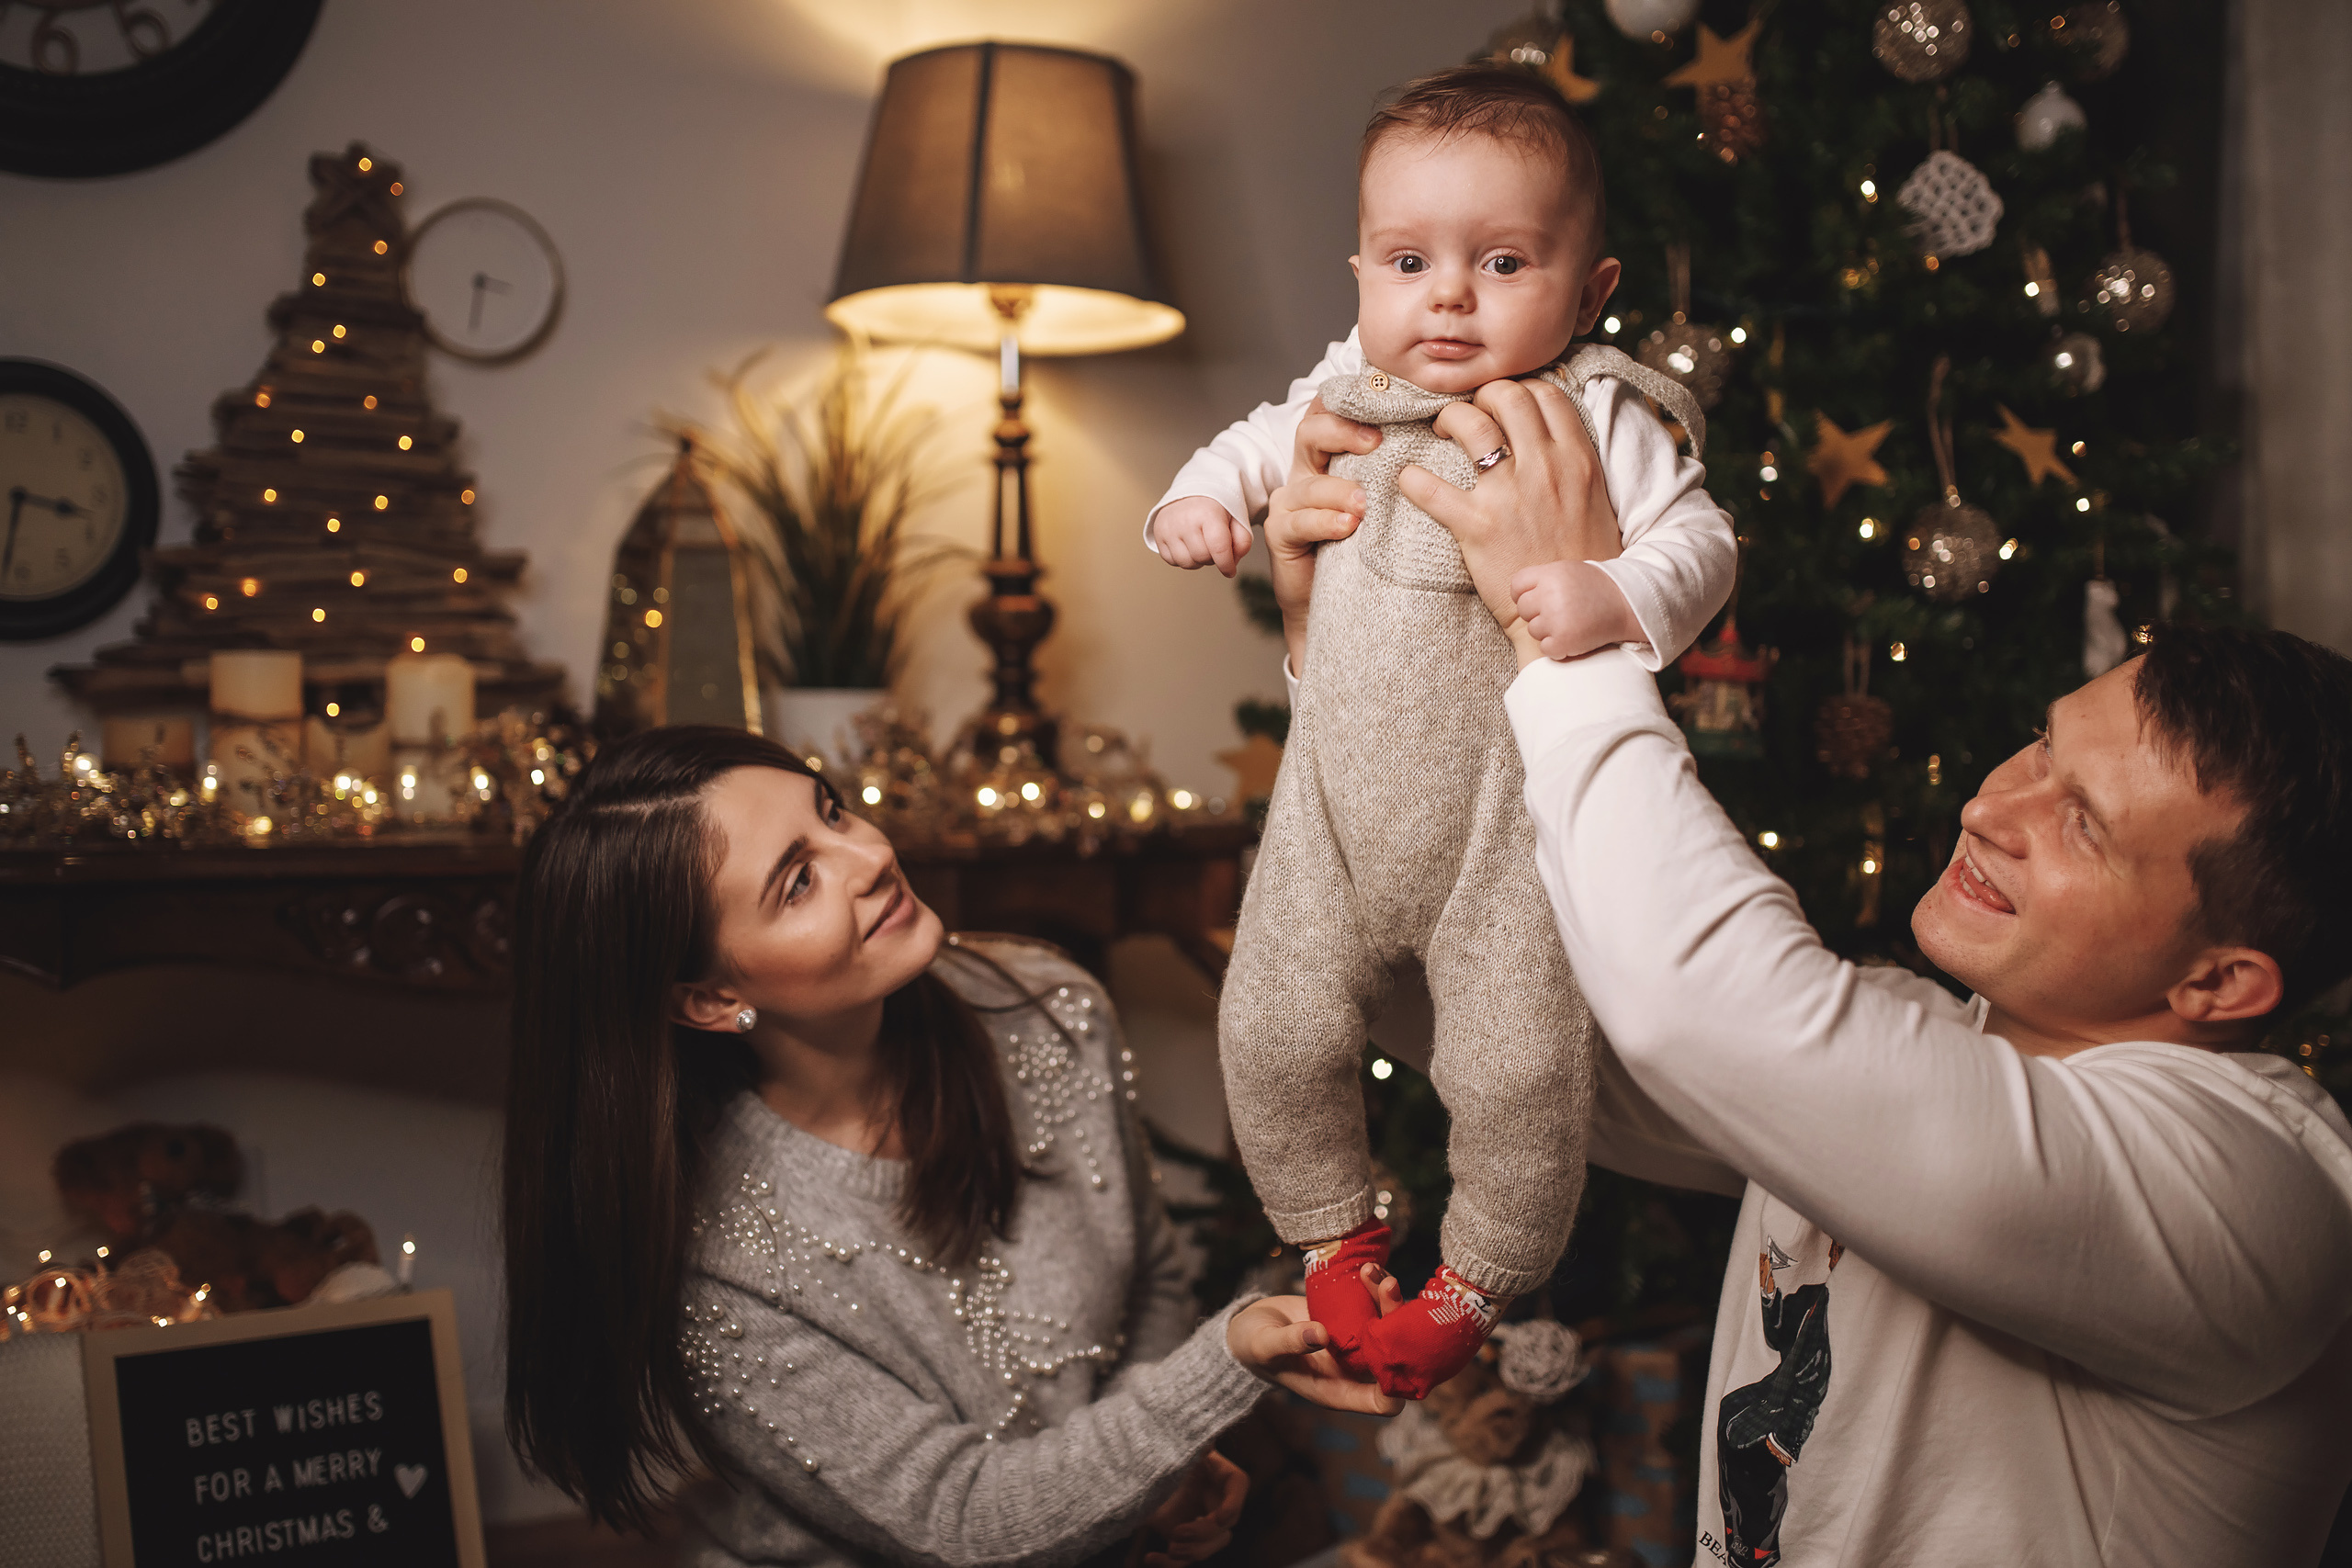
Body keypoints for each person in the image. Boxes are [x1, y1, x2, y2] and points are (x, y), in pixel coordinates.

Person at [1263, 383, 2352, 1564]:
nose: (1989, 806)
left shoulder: (2253, 1194)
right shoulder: (1909, 1043)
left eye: (2080, 823)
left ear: (2221, 985)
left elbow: (1695, 1006)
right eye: (2042, 745)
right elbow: (1416, 983)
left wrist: (1563, 633)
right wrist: (1339, 662)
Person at [1151, 63, 1738, 1401]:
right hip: (1330, 808)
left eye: (1504, 260)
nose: (1450, 295)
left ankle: (1478, 1271)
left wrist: (1615, 590)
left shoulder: (1598, 413)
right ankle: (1329, 1230)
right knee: (1270, 1024)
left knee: (1524, 1064)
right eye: (1410, 259)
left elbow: (1703, 543)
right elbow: (1251, 445)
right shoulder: (1346, 385)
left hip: (1503, 824)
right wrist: (1199, 506)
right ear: (1360, 268)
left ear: (1590, 290)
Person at [501, 727, 1396, 1568]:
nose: (870, 855)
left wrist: (1136, 1478)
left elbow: (1149, 1279)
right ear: (705, 997)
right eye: (797, 882)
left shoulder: (1048, 1006)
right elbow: (964, 1522)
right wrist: (1221, 1364)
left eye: (832, 810)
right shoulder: (712, 1266)